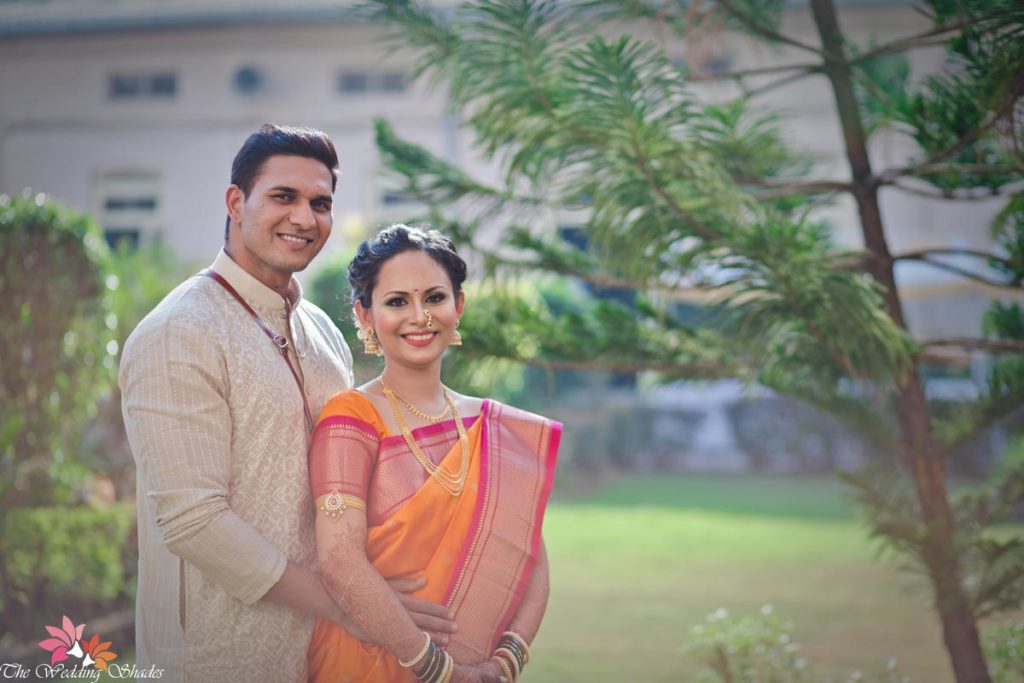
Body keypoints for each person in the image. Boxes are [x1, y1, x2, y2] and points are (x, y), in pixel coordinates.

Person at [119, 125, 453, 682]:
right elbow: (194, 522)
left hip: (327, 656)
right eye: (283, 197)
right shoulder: (179, 332)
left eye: (320, 204)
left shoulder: (319, 329)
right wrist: (350, 605)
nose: (304, 218)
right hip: (218, 659)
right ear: (235, 202)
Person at [306, 225, 561, 683]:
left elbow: (531, 561)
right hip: (368, 662)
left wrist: (502, 665)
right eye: (397, 301)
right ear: (365, 316)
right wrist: (438, 670)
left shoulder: (493, 429)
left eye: (435, 298)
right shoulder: (351, 418)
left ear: (458, 306)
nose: (419, 316)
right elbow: (339, 561)